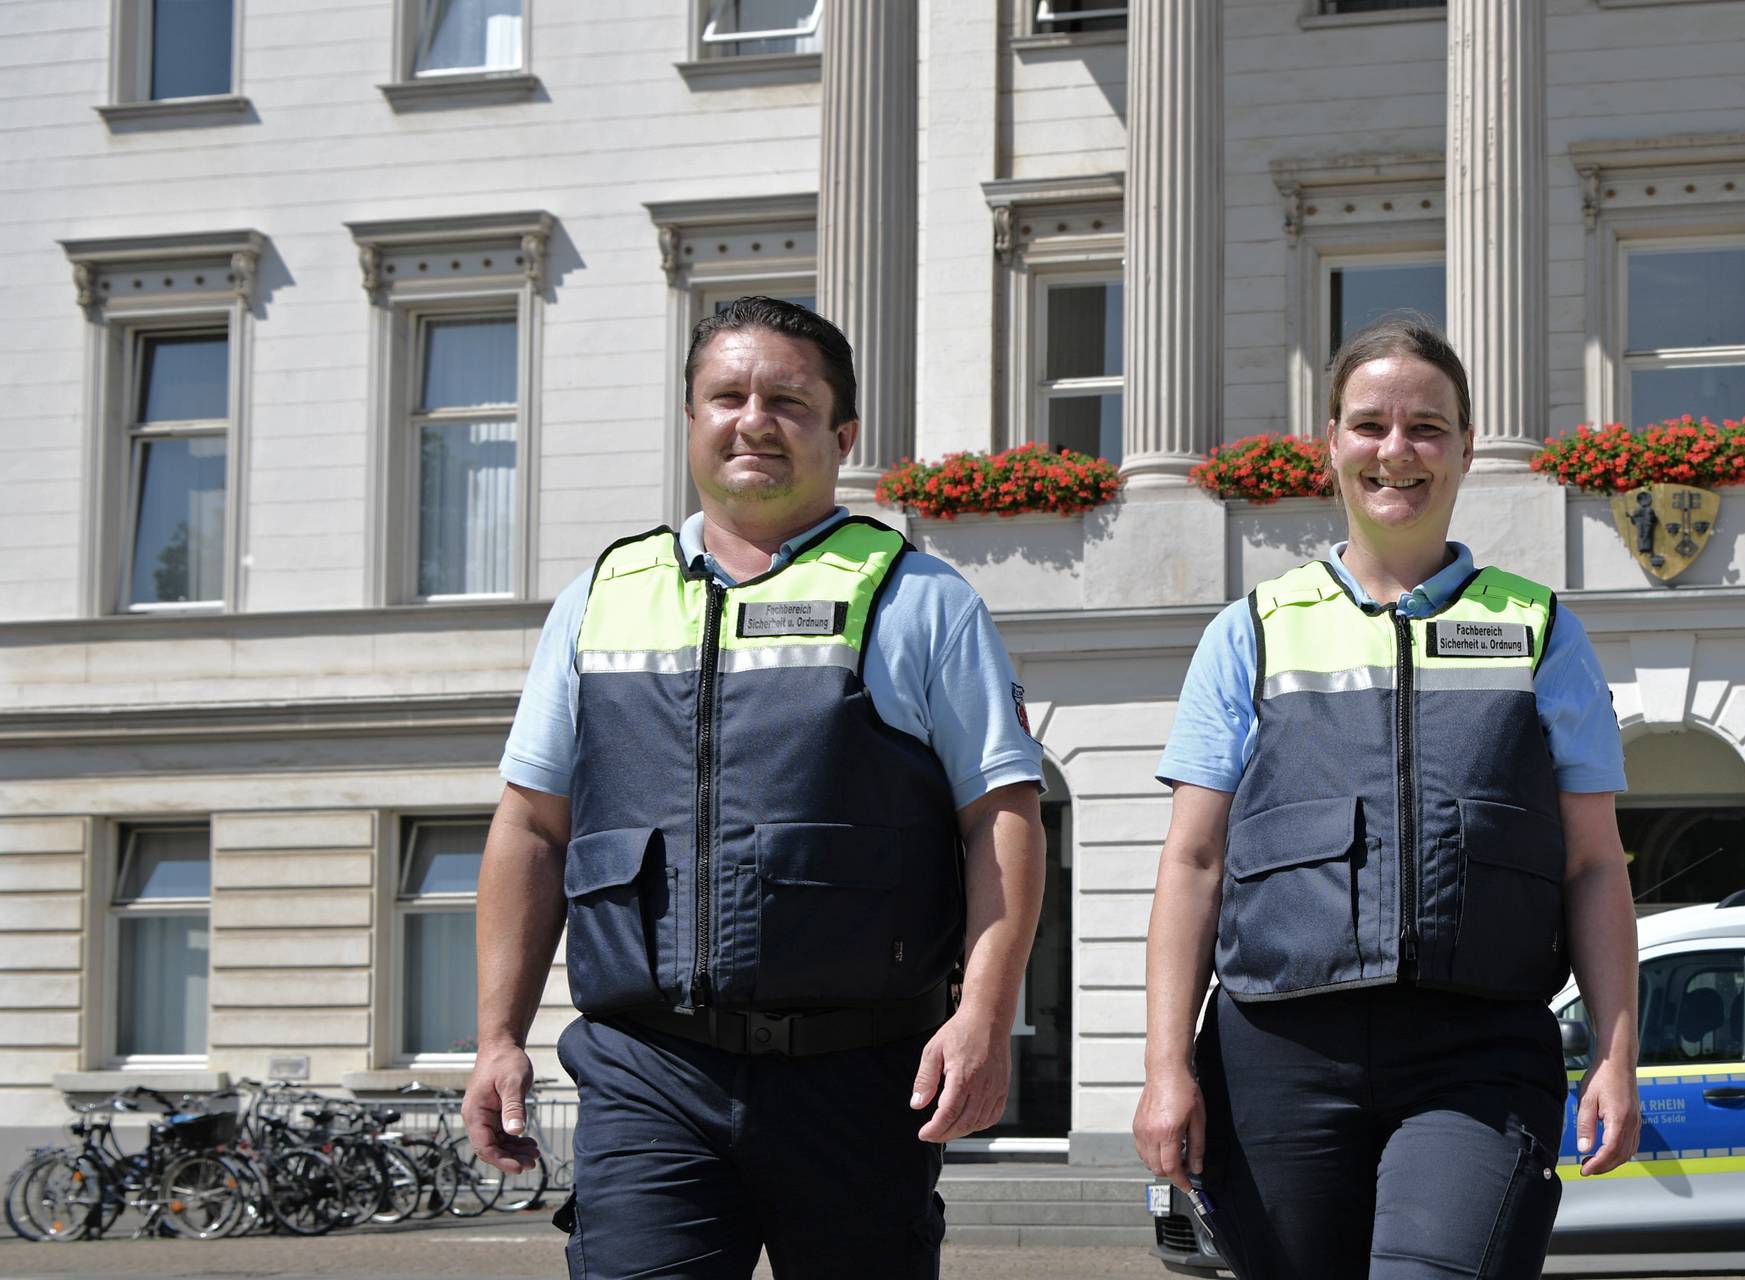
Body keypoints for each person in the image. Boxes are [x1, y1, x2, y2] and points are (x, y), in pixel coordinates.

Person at [462, 296, 1049, 1278]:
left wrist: (984, 1017)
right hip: (649, 1072)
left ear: (842, 433)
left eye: (788, 399)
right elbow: (530, 828)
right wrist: (495, 1037)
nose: (754, 419)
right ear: (691, 418)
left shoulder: (922, 601)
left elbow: (1004, 817)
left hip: (862, 1077)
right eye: (726, 395)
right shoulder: (601, 599)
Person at [1131, 316, 1643, 1279]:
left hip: (1479, 1054)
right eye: (1370, 425)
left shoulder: (1539, 632)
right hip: (1274, 1054)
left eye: (1427, 427)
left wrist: (1616, 1053)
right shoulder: (1254, 631)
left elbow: (1592, 863)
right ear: (1330, 443)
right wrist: (1167, 1068)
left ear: (1465, 448)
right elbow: (1193, 862)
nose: (1396, 451)